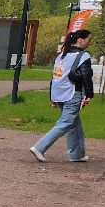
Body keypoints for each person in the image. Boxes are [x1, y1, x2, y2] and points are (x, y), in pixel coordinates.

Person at [31, 29, 94, 163]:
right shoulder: (83, 56)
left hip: (59, 93)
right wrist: (89, 94)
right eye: (89, 40)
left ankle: (76, 154)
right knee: (65, 123)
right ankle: (39, 147)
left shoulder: (61, 56)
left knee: (73, 124)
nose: (90, 43)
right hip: (72, 93)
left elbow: (54, 77)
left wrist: (52, 97)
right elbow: (86, 75)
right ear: (80, 40)